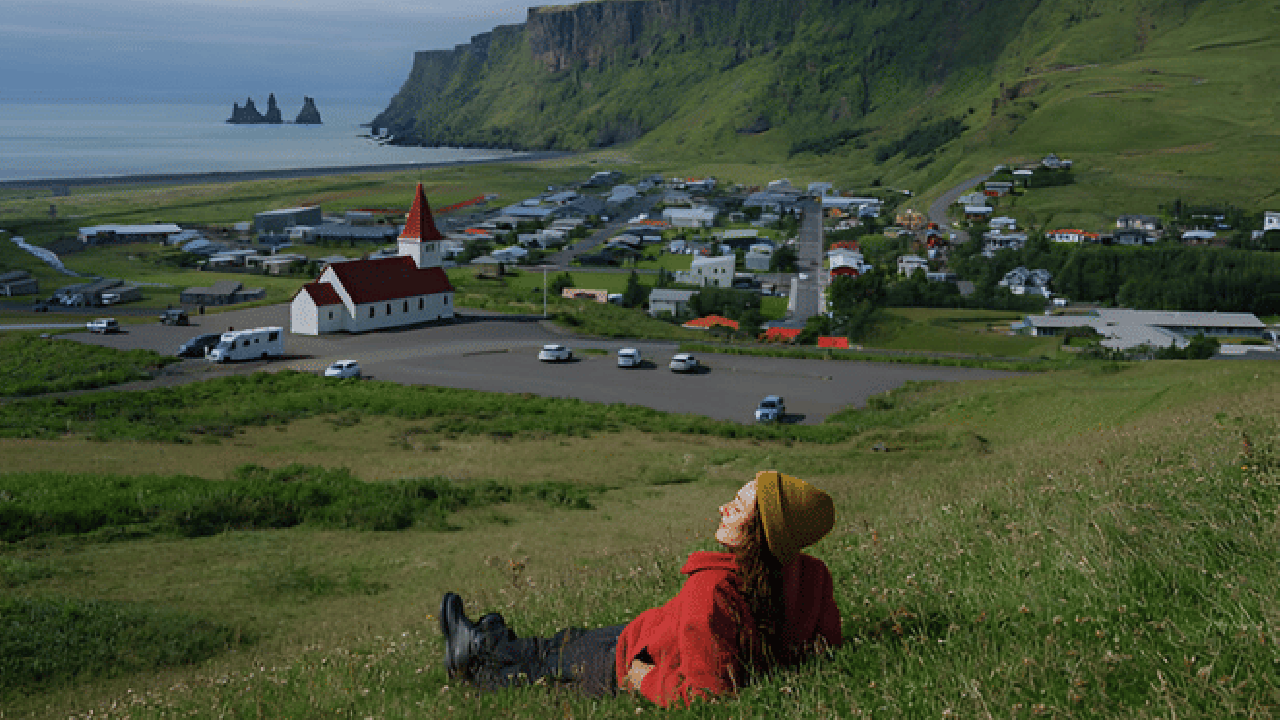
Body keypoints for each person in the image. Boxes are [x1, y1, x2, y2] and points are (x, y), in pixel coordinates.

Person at [438, 470, 842, 707]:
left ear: (759, 533)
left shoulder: (711, 591)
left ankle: (473, 656)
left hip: (629, 661)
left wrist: (644, 680)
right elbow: (825, 647)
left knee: (542, 667)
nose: (723, 507)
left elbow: (707, 695)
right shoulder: (812, 576)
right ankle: (491, 636)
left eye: (738, 506)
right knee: (561, 642)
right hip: (652, 633)